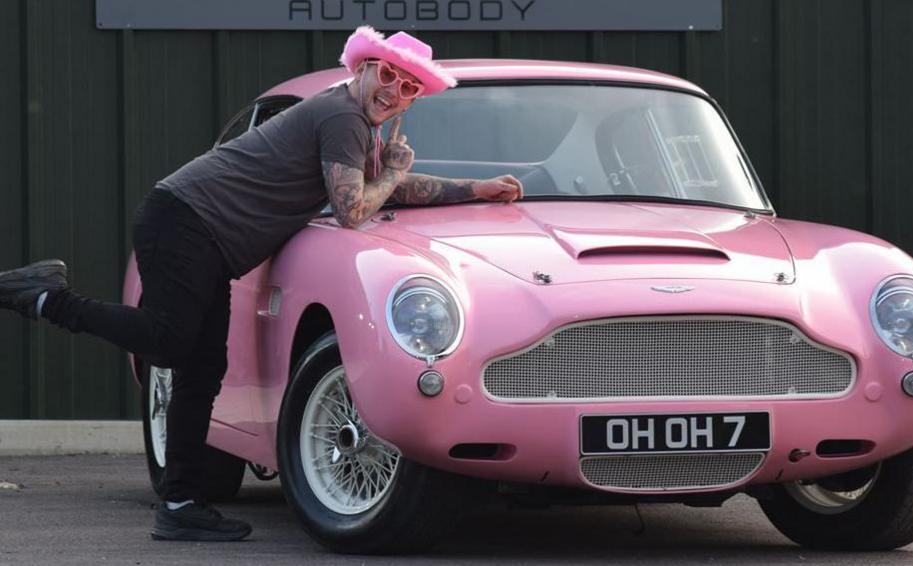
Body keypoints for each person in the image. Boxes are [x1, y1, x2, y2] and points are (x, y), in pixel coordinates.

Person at [0, 27, 522, 542]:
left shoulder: (356, 123)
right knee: (168, 340)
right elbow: (353, 209)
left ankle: (180, 504)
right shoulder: (342, 114)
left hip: (206, 235)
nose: (394, 90)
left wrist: (474, 188)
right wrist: (391, 171)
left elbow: (387, 188)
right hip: (186, 222)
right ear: (363, 67)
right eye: (388, 73)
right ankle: (47, 298)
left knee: (201, 368)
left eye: (409, 86)